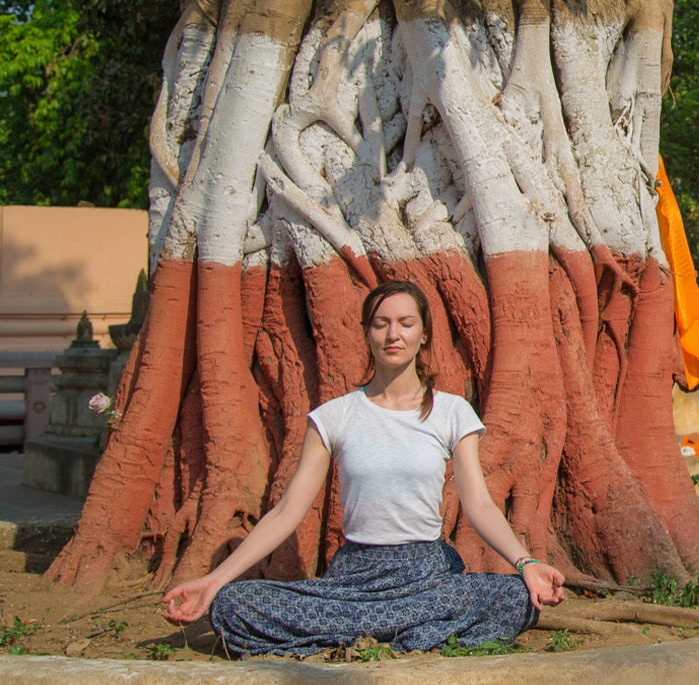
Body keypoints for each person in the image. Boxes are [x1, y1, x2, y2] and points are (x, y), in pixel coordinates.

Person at [162, 280, 567, 657]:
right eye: (381, 324)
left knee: (516, 597)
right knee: (232, 604)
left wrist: (526, 563)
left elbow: (479, 505)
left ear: (424, 334)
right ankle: (406, 637)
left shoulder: (451, 412)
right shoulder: (333, 417)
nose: (393, 334)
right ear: (367, 333)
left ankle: (360, 637)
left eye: (406, 323)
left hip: (428, 578)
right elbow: (287, 512)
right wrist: (215, 580)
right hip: (353, 582)